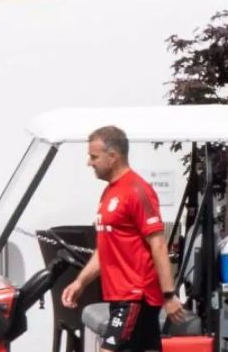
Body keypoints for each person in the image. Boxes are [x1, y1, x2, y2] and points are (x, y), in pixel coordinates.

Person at [62, 126, 185, 352]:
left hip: (135, 296)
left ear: (113, 156)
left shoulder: (138, 190)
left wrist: (169, 296)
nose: (89, 163)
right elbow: (105, 249)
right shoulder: (109, 192)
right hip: (120, 296)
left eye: (94, 156)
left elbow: (158, 243)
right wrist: (81, 282)